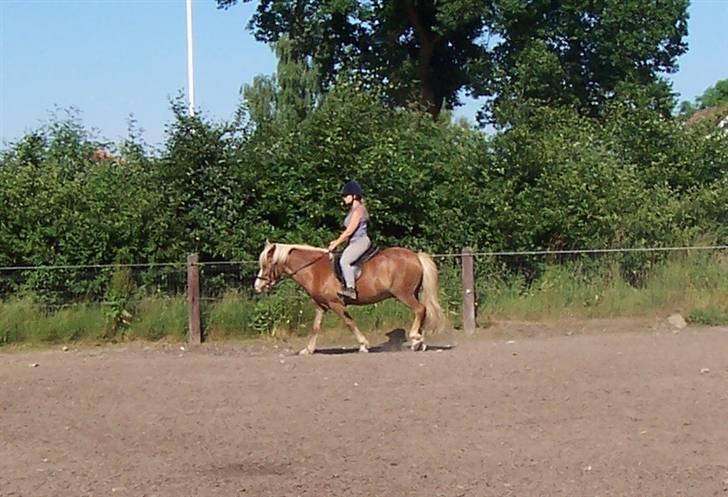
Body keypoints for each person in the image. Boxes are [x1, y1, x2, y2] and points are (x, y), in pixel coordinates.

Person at [327, 180, 370, 300]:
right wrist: (336, 240)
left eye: (346, 195)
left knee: (344, 261)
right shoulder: (353, 210)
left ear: (354, 196)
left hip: (360, 242)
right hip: (354, 242)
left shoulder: (359, 210)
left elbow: (350, 231)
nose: (344, 198)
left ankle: (351, 289)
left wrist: (336, 242)